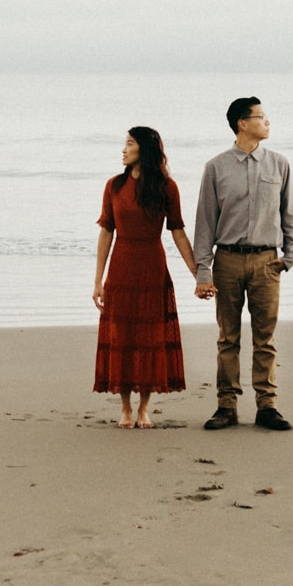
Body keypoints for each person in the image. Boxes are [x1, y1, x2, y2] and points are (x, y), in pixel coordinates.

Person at [192, 97, 293, 431]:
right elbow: (205, 223)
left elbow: (289, 213)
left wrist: (290, 257)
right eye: (261, 117)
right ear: (242, 123)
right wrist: (203, 270)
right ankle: (226, 406)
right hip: (227, 261)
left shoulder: (279, 164)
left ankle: (267, 406)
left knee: (264, 339)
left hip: (267, 262)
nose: (267, 122)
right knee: (228, 338)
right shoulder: (216, 167)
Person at [92, 126, 197, 429]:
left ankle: (144, 408)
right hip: (121, 267)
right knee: (121, 335)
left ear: (145, 149)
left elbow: (177, 230)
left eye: (129, 144)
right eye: (124, 144)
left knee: (150, 337)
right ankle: (125, 408)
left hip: (152, 265)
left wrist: (197, 273)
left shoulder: (166, 186)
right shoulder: (114, 186)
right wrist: (98, 281)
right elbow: (106, 232)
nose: (123, 150)